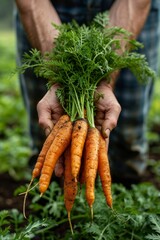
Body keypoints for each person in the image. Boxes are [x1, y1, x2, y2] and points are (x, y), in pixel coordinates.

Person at [14, 0, 160, 185]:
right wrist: (58, 79)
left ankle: (125, 186)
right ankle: (47, 193)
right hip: (46, 8)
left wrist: (105, 81)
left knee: (127, 147)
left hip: (132, 7)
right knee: (48, 143)